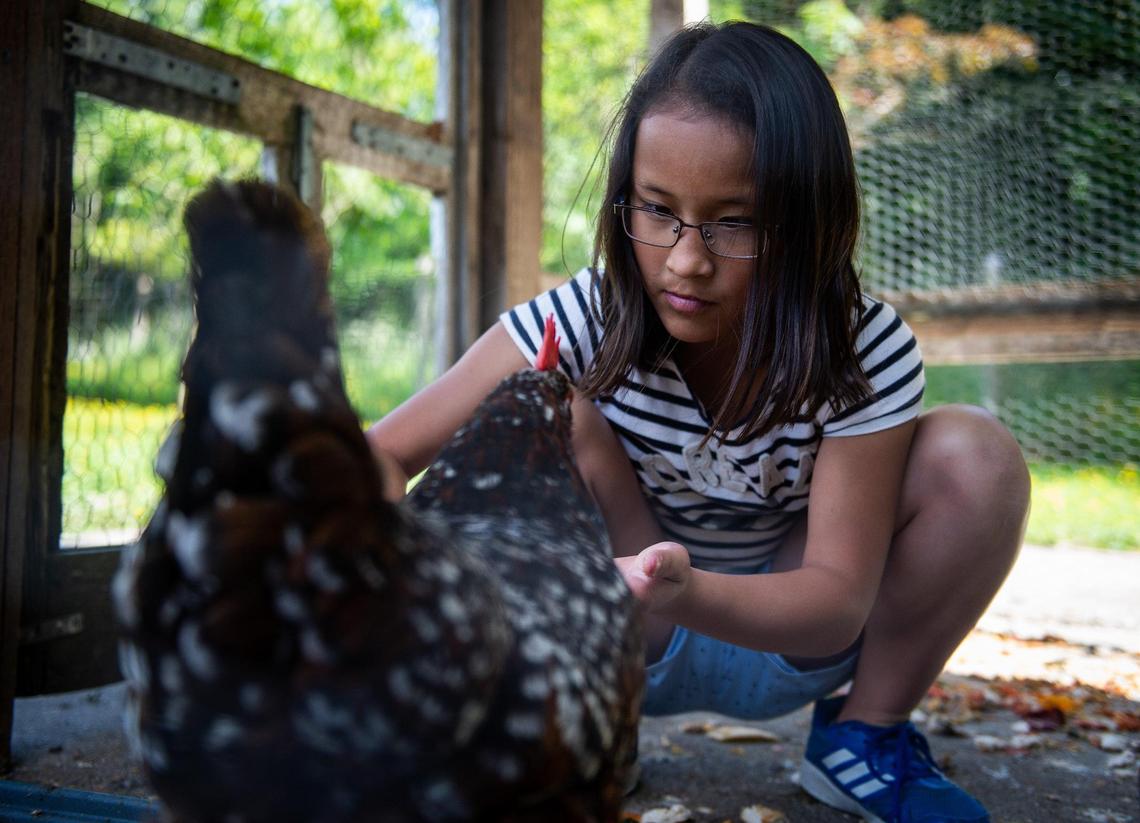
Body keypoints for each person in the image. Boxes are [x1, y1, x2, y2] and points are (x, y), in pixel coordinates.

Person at [367, 21, 1029, 823]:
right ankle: (583, 730)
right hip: (611, 631)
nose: (686, 260)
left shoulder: (864, 349)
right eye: (657, 209)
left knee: (977, 457)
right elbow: (382, 453)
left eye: (735, 221)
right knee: (546, 407)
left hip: (788, 637)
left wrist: (681, 589)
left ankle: (865, 735)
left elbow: (836, 601)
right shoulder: (585, 316)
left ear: (809, 219)